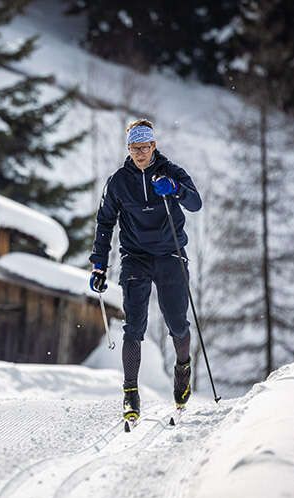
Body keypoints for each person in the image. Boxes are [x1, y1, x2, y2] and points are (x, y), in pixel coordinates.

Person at [88, 119, 202, 422]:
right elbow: (104, 223)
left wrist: (175, 189)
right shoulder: (118, 182)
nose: (140, 153)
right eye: (135, 148)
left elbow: (196, 203)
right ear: (128, 149)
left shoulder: (171, 172)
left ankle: (182, 368)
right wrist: (99, 264)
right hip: (135, 256)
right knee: (134, 326)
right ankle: (130, 394)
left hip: (170, 254)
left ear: (154, 146)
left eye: (145, 147)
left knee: (177, 323)